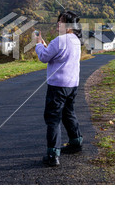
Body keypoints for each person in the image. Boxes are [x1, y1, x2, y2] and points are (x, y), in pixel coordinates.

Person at [35, 11, 83, 167]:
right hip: (72, 84)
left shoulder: (59, 41)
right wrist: (47, 47)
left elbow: (43, 57)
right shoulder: (76, 40)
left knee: (53, 118)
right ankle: (76, 142)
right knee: (69, 113)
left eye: (61, 21)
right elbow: (59, 56)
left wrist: (38, 45)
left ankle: (52, 155)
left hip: (57, 86)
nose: (58, 24)